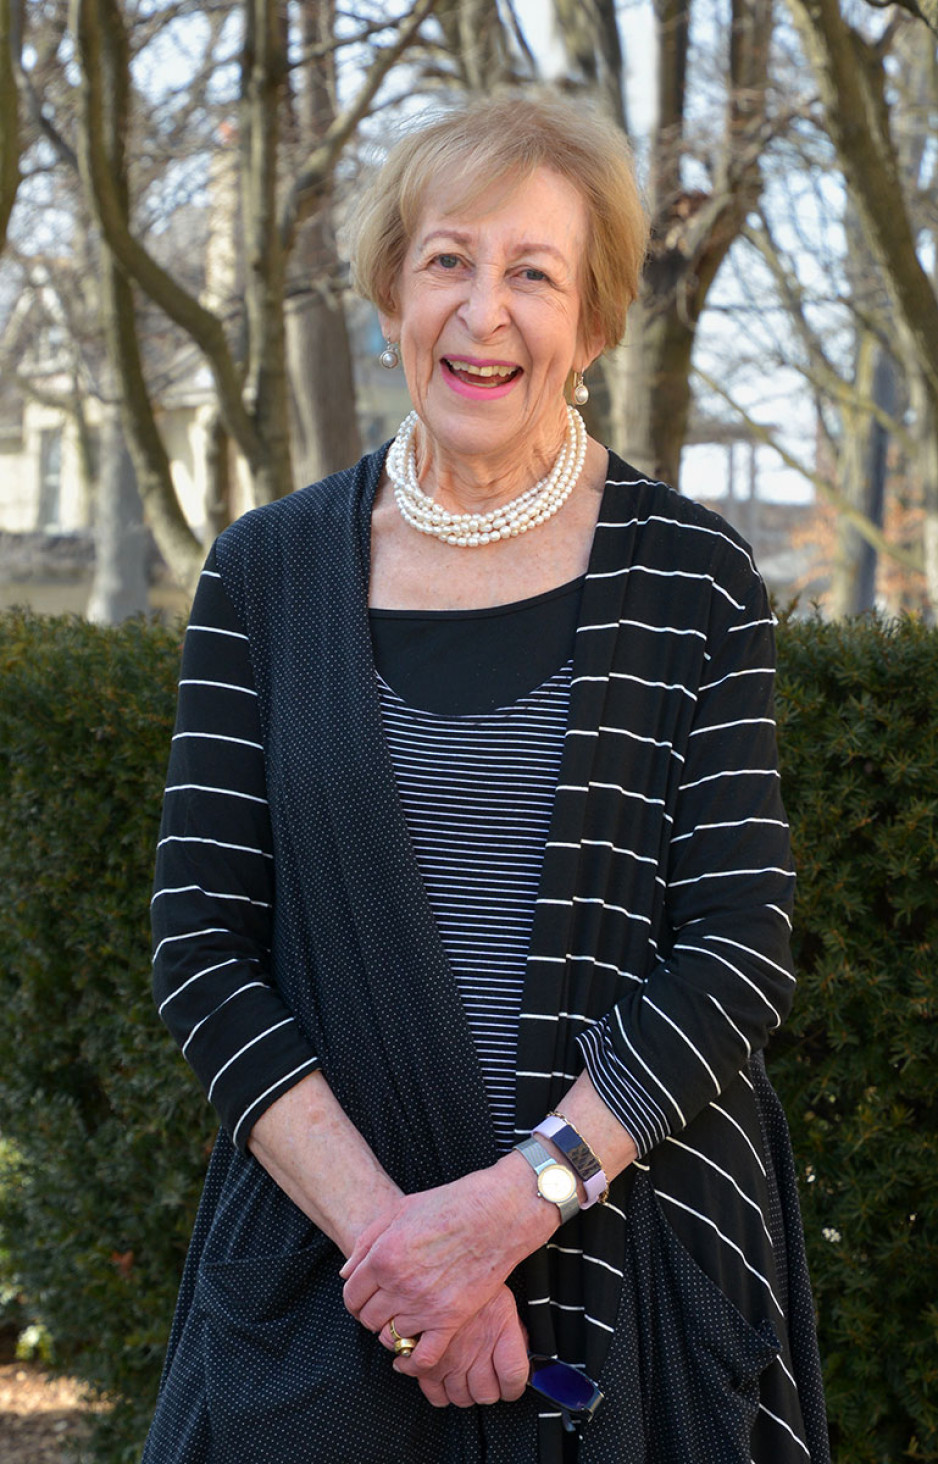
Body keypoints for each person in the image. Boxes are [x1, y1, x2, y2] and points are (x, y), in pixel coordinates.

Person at [144, 91, 830, 1464]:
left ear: (593, 319)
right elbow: (202, 947)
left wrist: (509, 1210)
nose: (484, 310)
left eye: (533, 273)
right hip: (329, 1289)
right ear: (389, 284)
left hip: (629, 1284)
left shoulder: (693, 578)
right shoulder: (264, 575)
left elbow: (737, 946)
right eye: (448, 259)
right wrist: (409, 1259)